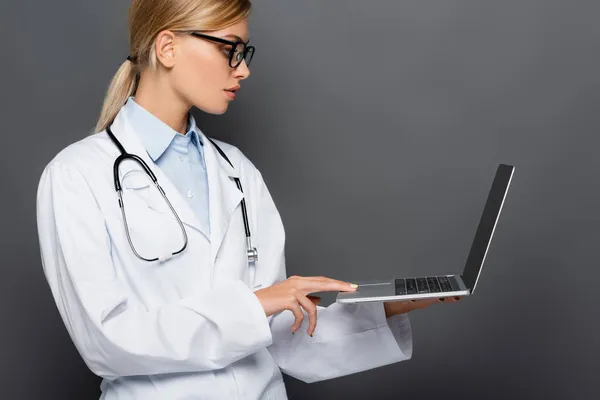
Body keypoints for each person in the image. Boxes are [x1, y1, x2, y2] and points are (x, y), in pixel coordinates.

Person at [35, 1, 460, 399]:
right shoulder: (76, 175)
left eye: (244, 52)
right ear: (167, 47)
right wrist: (256, 304)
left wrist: (387, 308)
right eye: (229, 50)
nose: (243, 70)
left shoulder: (237, 171)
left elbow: (277, 337)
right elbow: (106, 343)